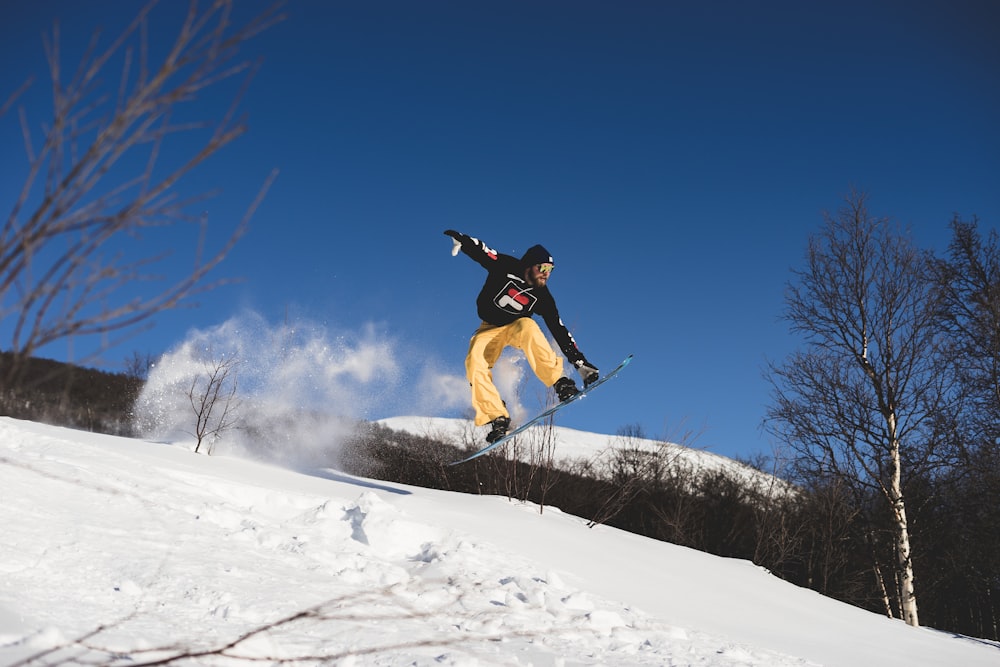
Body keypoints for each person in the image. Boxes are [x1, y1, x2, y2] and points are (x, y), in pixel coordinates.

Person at [444, 230, 600, 444]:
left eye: (551, 270)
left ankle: (560, 383)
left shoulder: (543, 297)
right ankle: (496, 416)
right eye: (543, 268)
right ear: (530, 265)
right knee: (475, 362)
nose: (547, 274)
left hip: (516, 327)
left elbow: (559, 329)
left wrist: (579, 362)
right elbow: (485, 253)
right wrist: (464, 240)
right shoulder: (506, 266)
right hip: (489, 328)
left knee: (528, 325)